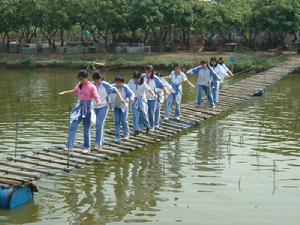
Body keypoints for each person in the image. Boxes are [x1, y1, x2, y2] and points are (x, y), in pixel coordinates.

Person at [58, 70, 101, 153]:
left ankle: (86, 147)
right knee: (72, 126)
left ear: (86, 78)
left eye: (82, 79)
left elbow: (96, 95)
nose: (80, 81)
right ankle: (69, 146)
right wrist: (64, 92)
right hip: (79, 108)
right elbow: (74, 91)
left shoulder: (92, 86)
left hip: (88, 109)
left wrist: (98, 101)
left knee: (86, 129)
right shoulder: (79, 85)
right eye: (79, 79)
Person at [92, 71, 125, 149]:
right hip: (95, 107)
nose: (96, 82)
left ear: (101, 79)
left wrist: (121, 98)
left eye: (98, 80)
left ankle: (98, 144)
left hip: (104, 106)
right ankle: (101, 140)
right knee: (99, 124)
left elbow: (115, 90)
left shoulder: (105, 85)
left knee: (98, 124)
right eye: (95, 80)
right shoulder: (92, 84)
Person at [128, 71, 156, 136]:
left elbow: (149, 89)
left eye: (137, 79)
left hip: (142, 100)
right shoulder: (131, 82)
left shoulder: (143, 83)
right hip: (134, 100)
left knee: (144, 114)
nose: (135, 80)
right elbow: (127, 88)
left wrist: (154, 95)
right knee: (135, 115)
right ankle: (136, 130)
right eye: (134, 78)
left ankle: (147, 127)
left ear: (140, 78)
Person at [142, 65, 170, 130]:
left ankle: (152, 126)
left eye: (148, 72)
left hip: (152, 98)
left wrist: (166, 92)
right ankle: (144, 125)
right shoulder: (143, 76)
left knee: (151, 112)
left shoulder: (155, 78)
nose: (147, 74)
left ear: (152, 72)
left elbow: (162, 85)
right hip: (144, 98)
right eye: (146, 72)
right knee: (143, 112)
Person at [110, 76, 135, 143]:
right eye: (117, 82)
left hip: (123, 106)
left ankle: (126, 134)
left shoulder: (125, 87)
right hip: (115, 106)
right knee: (117, 121)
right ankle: (117, 136)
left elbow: (131, 94)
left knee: (124, 120)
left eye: (120, 83)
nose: (118, 84)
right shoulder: (112, 87)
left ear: (123, 83)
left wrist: (132, 98)